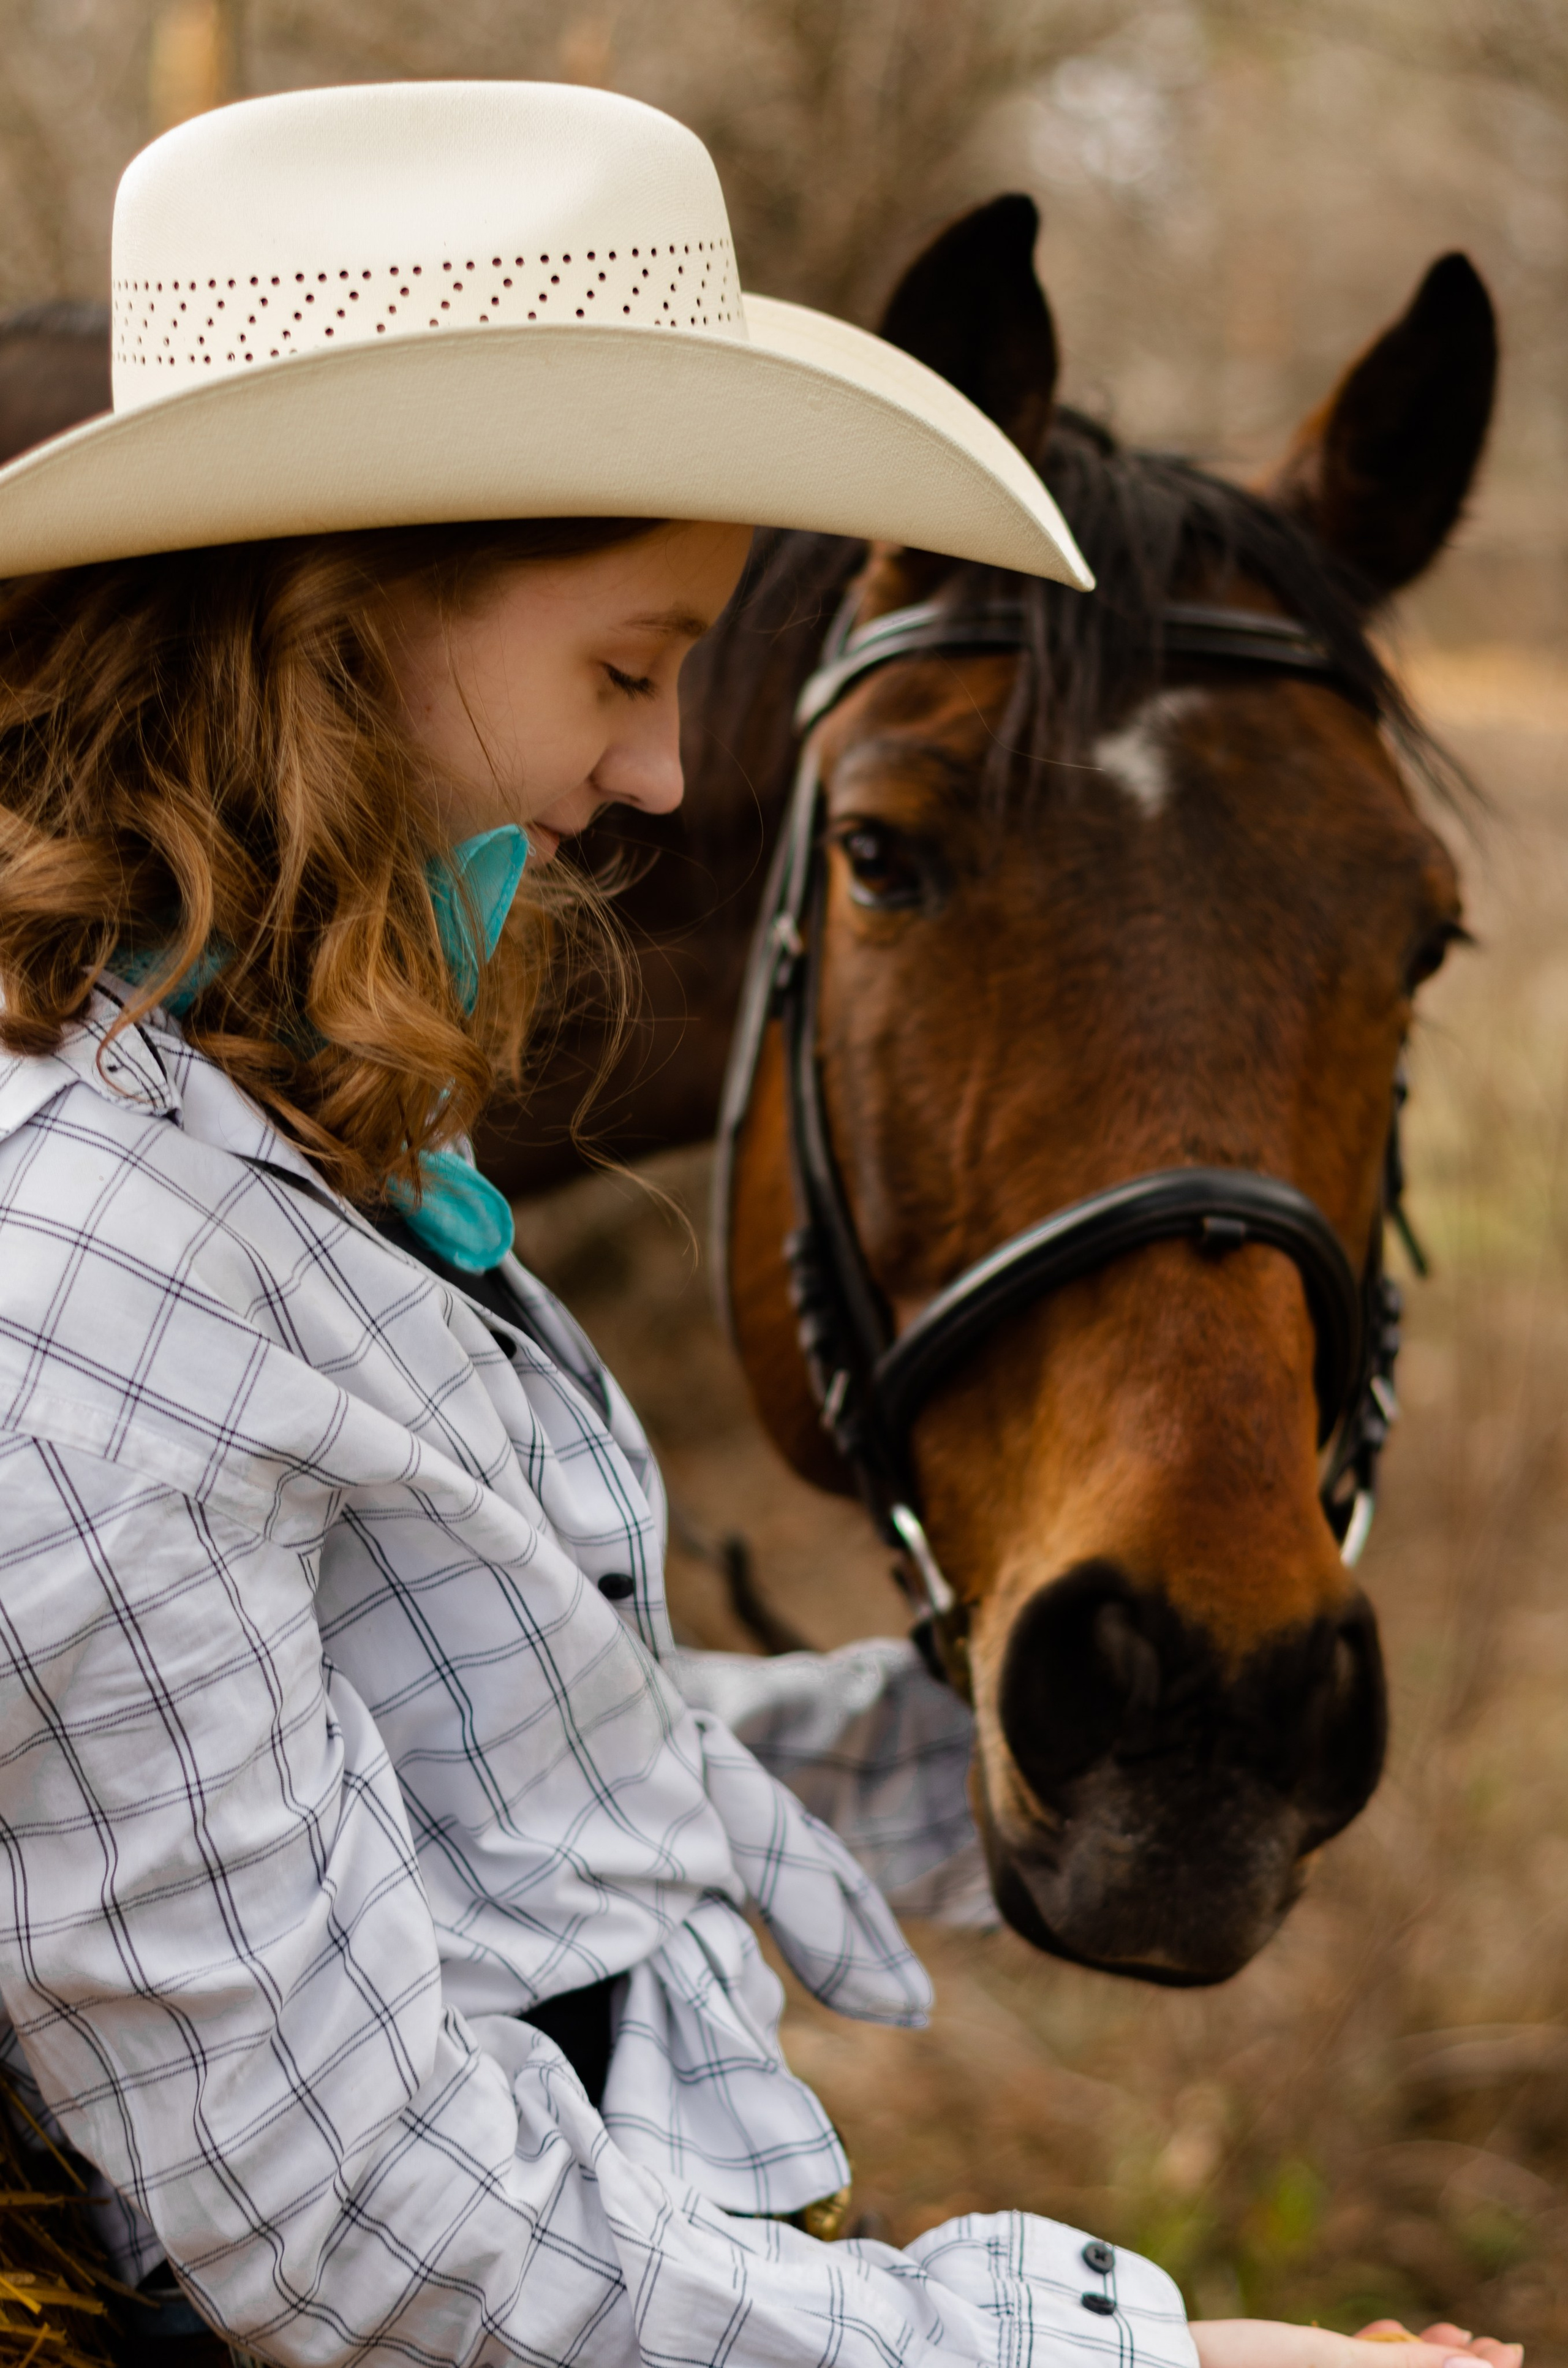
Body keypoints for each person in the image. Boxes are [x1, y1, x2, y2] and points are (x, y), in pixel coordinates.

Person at [0, 77, 1520, 2368]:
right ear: (320, 634)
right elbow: (346, 2227)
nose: (665, 780)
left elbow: (459, 1763)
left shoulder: (275, 1143)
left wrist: (958, 1738)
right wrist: (1145, 2354)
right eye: (629, 669)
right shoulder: (102, 1270)